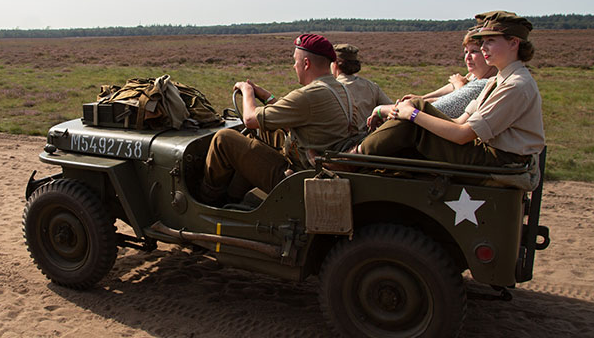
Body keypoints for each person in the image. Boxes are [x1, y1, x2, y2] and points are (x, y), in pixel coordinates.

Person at [356, 12, 544, 168]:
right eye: (482, 42)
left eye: (491, 40)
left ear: (514, 43)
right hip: (494, 154)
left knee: (414, 117)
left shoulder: (515, 85)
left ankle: (354, 158)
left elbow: (462, 135)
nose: (484, 47)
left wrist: (412, 114)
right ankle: (359, 156)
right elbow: (459, 121)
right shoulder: (499, 79)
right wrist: (414, 111)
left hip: (500, 160)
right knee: (416, 111)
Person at [198, 34, 355, 205]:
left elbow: (250, 119)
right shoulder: (339, 89)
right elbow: (293, 112)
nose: (294, 66)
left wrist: (246, 90)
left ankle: (206, 203)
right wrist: (266, 96)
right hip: (317, 164)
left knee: (224, 139)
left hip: (298, 178)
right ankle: (235, 196)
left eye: (295, 61)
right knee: (262, 134)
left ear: (306, 63)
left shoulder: (310, 95)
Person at [380, 26, 497, 121]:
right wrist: (422, 98)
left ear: (487, 53)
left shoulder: (483, 83)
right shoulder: (474, 77)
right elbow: (449, 93)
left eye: (474, 51)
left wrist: (381, 110)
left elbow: (446, 105)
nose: (467, 57)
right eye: (466, 52)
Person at [332, 43, 392, 134]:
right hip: (369, 138)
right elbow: (391, 109)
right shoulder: (371, 86)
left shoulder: (331, 89)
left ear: (335, 64)